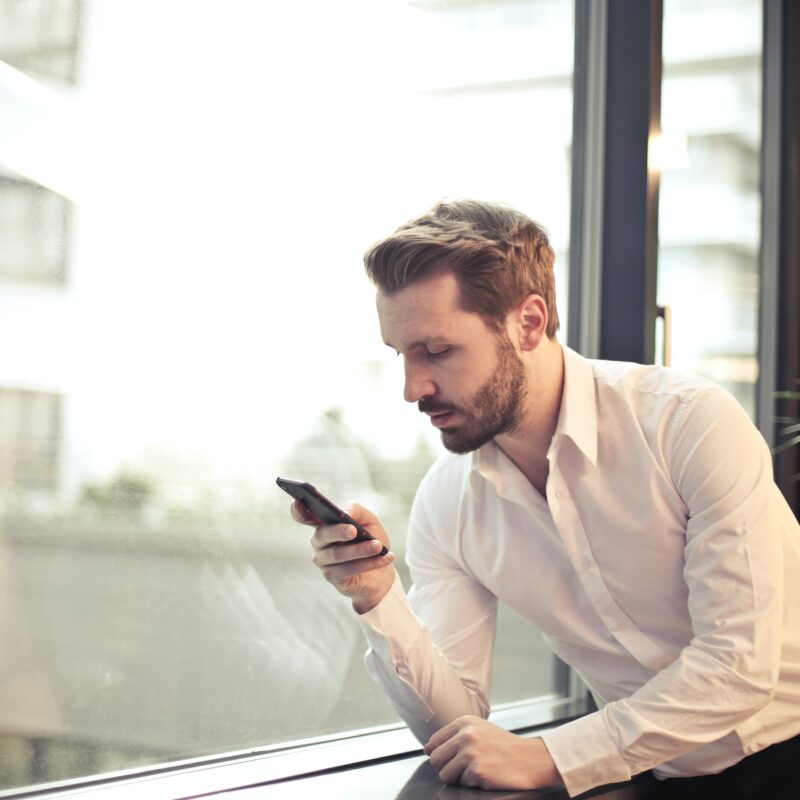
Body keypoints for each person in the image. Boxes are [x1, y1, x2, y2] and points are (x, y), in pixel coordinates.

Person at [289, 199, 800, 798]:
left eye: (438, 350)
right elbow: (459, 727)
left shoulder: (687, 424)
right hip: (648, 777)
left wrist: (555, 755)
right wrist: (378, 599)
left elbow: (739, 664)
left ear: (529, 323)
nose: (412, 388)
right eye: (401, 354)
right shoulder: (447, 504)